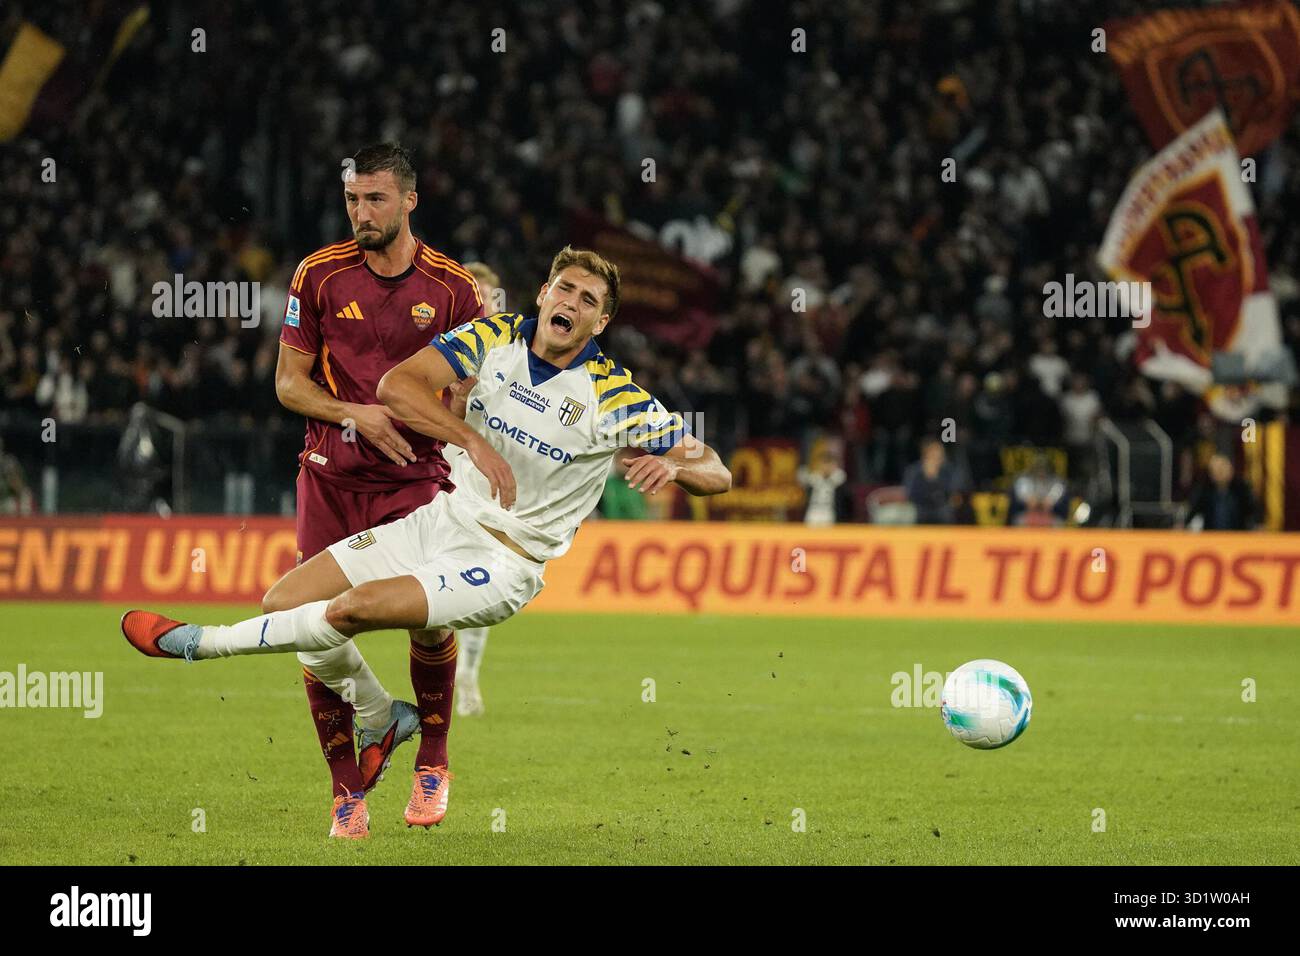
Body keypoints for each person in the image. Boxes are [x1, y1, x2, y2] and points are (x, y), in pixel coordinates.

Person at [120, 247, 732, 838]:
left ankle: (202, 643)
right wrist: (472, 439)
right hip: (441, 519)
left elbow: (716, 470)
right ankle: (383, 714)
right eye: (564, 287)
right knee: (283, 603)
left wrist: (677, 469)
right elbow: (397, 386)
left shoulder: (613, 393)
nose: (570, 301)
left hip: (503, 561)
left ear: (602, 320)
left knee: (350, 611)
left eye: (588, 298)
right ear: (544, 295)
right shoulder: (493, 339)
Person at [273, 143, 483, 837]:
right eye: (352, 200)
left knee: (432, 618)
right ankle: (346, 791)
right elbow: (288, 384)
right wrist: (351, 412)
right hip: (331, 479)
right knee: (307, 624)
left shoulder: (454, 291)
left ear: (410, 201)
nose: (361, 213)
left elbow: (469, 399)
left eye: (376, 200)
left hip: (416, 481)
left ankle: (434, 760)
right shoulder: (319, 275)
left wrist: (439, 420)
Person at [452, 261, 501, 718]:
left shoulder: (508, 352)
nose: (482, 304)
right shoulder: (441, 345)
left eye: (488, 297)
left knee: (479, 577)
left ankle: (466, 673)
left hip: (484, 472)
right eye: (475, 295)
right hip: (442, 465)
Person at [902, 438, 967, 524]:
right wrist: (927, 478)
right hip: (920, 507)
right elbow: (909, 494)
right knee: (910, 513)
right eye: (932, 453)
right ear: (925, 454)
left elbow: (954, 493)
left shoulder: (950, 470)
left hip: (943, 507)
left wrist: (934, 478)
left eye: (939, 453)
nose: (937, 456)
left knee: (946, 513)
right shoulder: (913, 471)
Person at [1186, 454, 1258, 531]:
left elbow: (1253, 512)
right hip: (1211, 536)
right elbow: (1192, 512)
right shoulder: (1204, 491)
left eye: (1222, 469)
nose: (1220, 473)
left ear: (1231, 470)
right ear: (1211, 473)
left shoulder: (1242, 489)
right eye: (1216, 470)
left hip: (1238, 536)